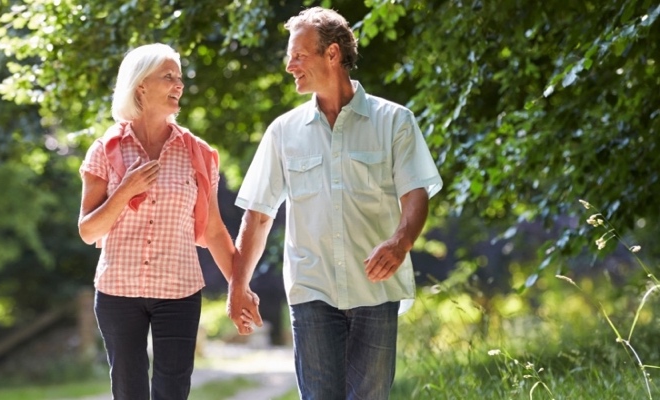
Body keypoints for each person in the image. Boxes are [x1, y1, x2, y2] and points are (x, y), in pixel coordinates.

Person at [227, 7, 443, 400]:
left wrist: (400, 242)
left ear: (332, 54)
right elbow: (258, 215)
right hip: (313, 292)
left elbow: (416, 194)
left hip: (376, 292)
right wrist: (238, 284)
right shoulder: (283, 132)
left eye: (299, 55)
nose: (290, 65)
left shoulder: (395, 121)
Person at [77, 43, 254, 400]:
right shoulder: (106, 150)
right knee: (129, 391)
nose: (179, 85)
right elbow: (88, 229)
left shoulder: (198, 153)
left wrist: (239, 286)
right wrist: (124, 190)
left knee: (173, 391)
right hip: (118, 291)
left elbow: (215, 230)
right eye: (168, 77)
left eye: (180, 78)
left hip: (179, 291)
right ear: (141, 85)